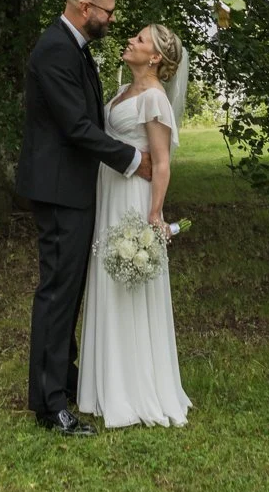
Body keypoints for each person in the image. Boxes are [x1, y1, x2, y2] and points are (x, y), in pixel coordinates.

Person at [16, 0, 154, 437]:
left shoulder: (73, 46)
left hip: (72, 187)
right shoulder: (56, 49)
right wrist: (132, 159)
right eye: (108, 12)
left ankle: (65, 377)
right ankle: (49, 403)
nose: (112, 20)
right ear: (85, 8)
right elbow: (76, 126)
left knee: (69, 289)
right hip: (59, 190)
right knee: (57, 293)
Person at [77, 23, 191, 428]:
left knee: (129, 284)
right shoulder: (123, 91)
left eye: (140, 40)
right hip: (108, 192)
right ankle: (103, 383)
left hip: (133, 200)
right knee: (108, 280)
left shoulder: (155, 99)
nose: (131, 40)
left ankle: (135, 387)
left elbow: (162, 163)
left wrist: (154, 215)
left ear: (155, 57)